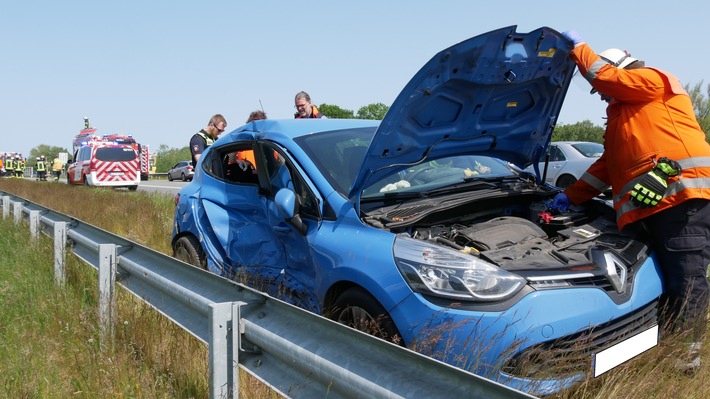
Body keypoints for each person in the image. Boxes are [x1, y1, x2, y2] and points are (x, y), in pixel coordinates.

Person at [552, 30, 710, 372]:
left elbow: (606, 78)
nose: (600, 96)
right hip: (652, 208)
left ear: (619, 68)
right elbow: (607, 166)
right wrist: (569, 196)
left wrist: (579, 49)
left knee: (687, 274)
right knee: (662, 276)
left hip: (682, 198)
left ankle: (688, 354)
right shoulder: (624, 115)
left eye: (601, 89)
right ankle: (656, 340)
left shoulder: (653, 80)